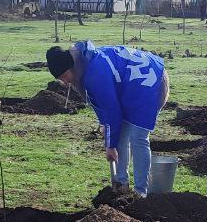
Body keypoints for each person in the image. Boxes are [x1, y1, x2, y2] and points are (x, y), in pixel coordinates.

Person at [46, 41, 169, 196]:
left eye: (64, 76)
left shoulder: (94, 73)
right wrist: (105, 126)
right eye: (60, 79)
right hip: (129, 86)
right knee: (120, 135)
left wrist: (110, 145)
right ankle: (122, 187)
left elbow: (111, 110)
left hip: (149, 81)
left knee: (138, 137)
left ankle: (140, 194)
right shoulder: (83, 67)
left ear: (71, 67)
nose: (64, 82)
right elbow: (100, 103)